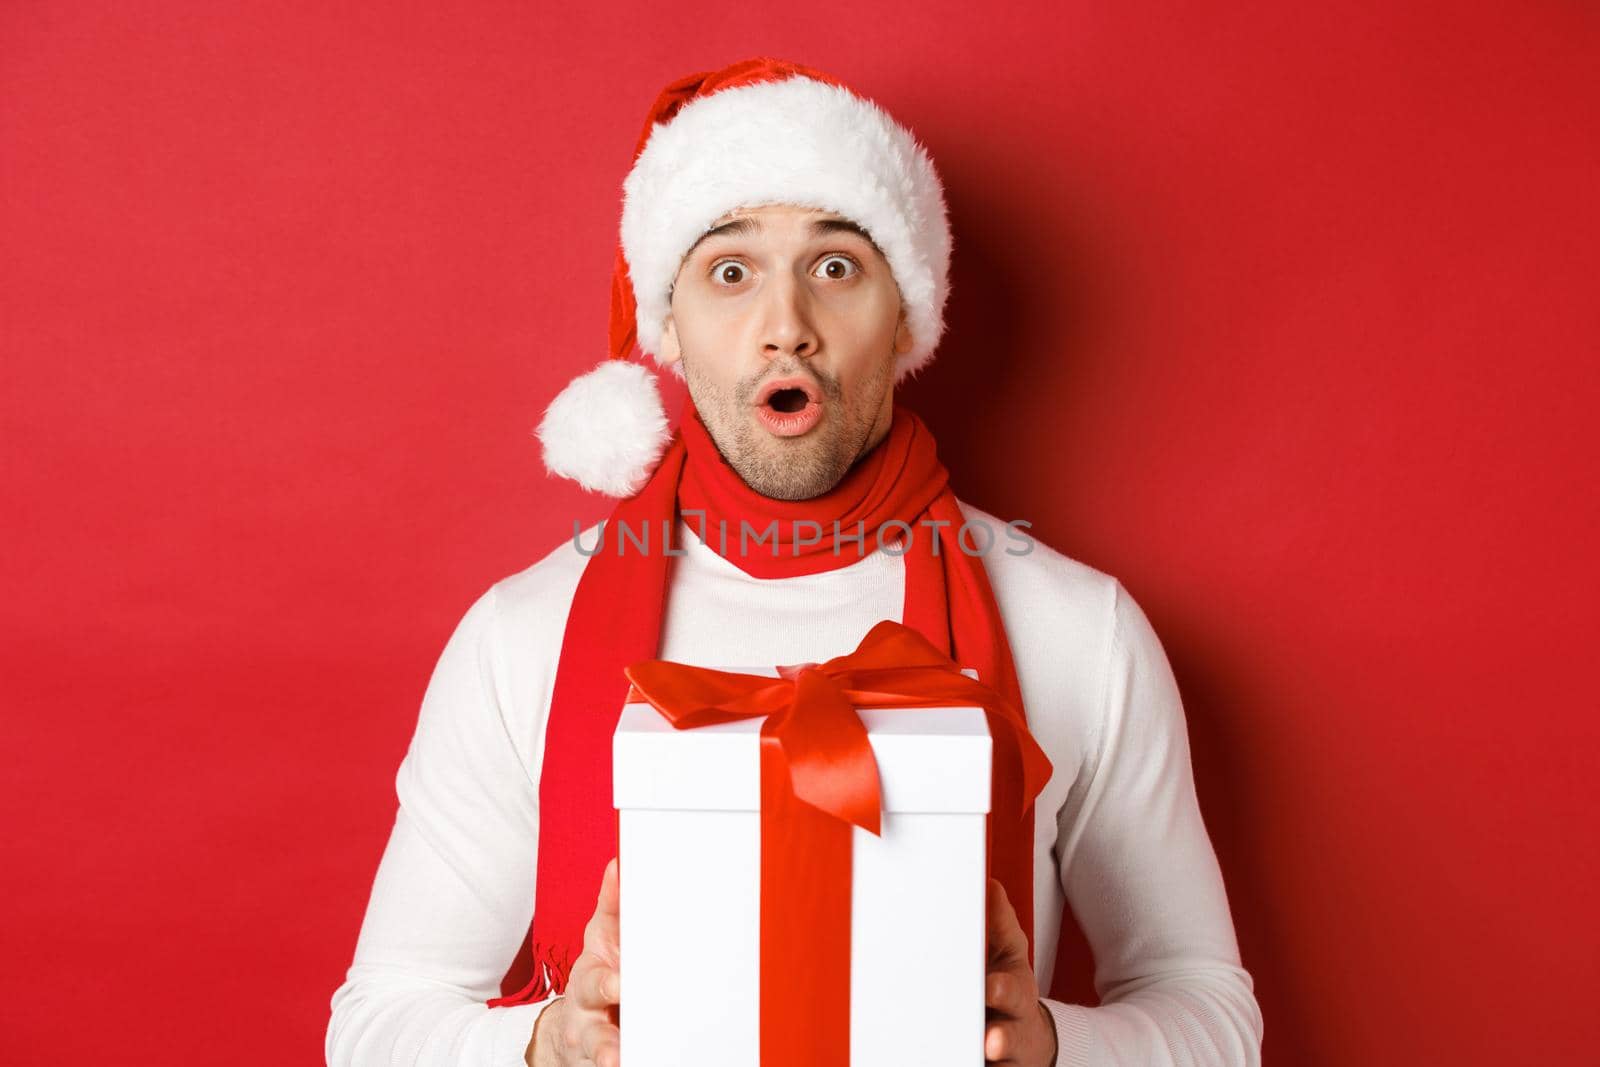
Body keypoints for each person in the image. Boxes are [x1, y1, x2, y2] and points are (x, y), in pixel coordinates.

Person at [326, 57, 1264, 1067]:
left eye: (835, 267)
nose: (786, 328)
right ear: (668, 328)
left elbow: (1209, 1014)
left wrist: (1048, 1043)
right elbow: (377, 1023)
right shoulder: (524, 636)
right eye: (730, 272)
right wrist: (548, 1045)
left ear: (907, 316)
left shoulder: (1077, 627)